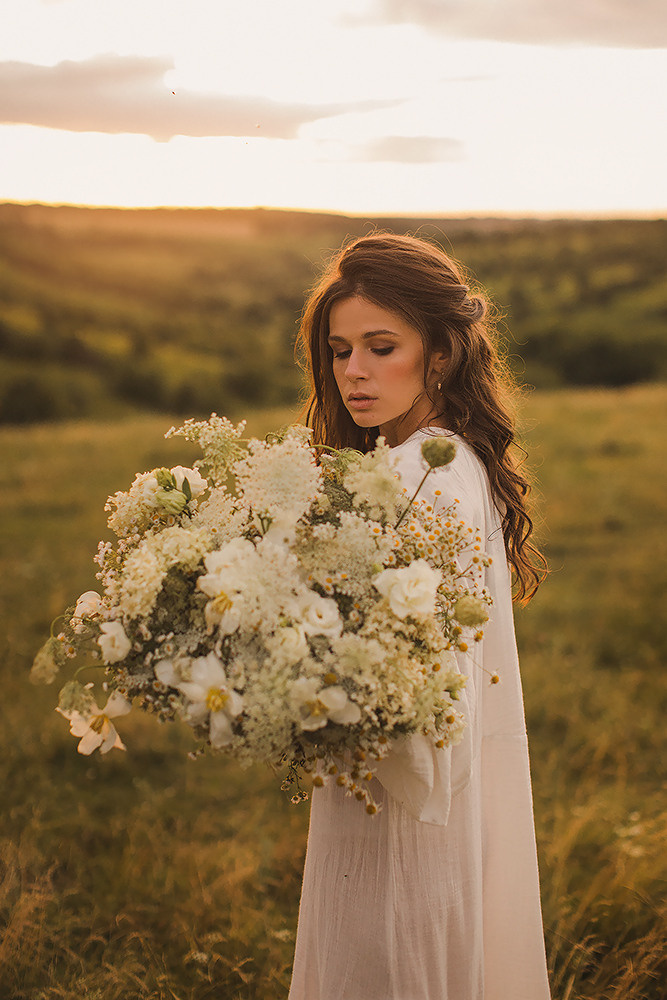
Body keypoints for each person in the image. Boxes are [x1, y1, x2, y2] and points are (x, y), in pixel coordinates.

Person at [288, 232, 551, 1000]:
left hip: (397, 795)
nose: (354, 372)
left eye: (380, 346)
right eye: (339, 351)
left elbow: (410, 663)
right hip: (422, 783)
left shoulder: (418, 474)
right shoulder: (452, 458)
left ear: (438, 354)